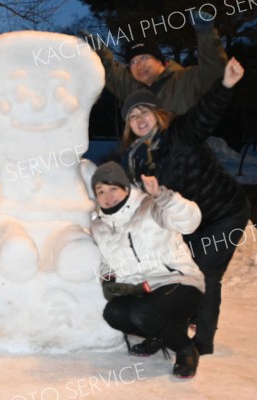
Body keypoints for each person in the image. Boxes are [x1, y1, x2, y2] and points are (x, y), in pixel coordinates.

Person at [120, 57, 250, 356]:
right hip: (187, 219)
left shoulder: (181, 131)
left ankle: (202, 342)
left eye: (144, 111)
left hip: (223, 213)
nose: (139, 118)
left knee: (204, 273)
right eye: (131, 116)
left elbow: (207, 112)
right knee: (173, 272)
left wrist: (226, 84)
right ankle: (168, 330)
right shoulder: (135, 158)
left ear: (156, 112)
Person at [90, 161, 205, 378]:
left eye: (113, 188)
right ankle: (160, 334)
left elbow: (190, 222)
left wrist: (163, 196)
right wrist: (108, 278)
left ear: (125, 188)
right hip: (141, 289)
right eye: (101, 191)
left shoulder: (151, 207)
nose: (108, 195)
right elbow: (106, 260)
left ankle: (185, 349)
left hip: (179, 281)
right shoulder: (99, 226)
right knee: (113, 313)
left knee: (144, 313)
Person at [93, 10, 227, 115]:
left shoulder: (186, 79)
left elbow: (213, 71)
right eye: (133, 62)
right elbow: (110, 71)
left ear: (160, 61)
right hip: (149, 149)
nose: (139, 65)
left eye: (144, 58)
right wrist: (98, 52)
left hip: (187, 148)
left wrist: (206, 33)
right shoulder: (132, 88)